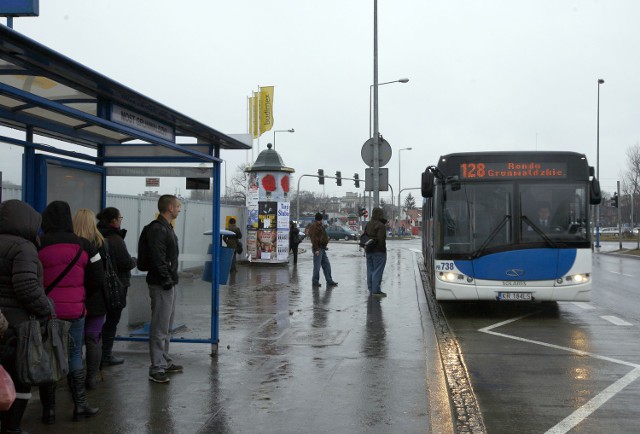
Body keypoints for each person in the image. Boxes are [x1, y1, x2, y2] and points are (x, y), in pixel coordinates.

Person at [38, 200, 103, 422]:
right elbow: (98, 278)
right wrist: (81, 296)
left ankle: (49, 411)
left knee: (48, 356)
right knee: (75, 355)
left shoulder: (38, 244)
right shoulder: (86, 245)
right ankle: (80, 406)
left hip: (47, 311)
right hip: (76, 310)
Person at [0, 200, 52, 433]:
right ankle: (12, 428)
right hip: (17, 327)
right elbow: (27, 287)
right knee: (20, 378)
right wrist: (47, 308)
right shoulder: (24, 247)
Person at [143, 195, 182, 384]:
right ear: (169, 207)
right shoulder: (159, 229)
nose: (179, 210)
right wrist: (167, 279)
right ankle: (156, 367)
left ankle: (163, 361)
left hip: (167, 282)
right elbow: (158, 257)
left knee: (166, 326)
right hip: (162, 284)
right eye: (178, 206)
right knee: (160, 326)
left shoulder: (165, 227)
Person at [96, 207, 137, 367]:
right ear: (113, 220)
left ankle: (96, 354)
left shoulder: (97, 236)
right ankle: (106, 354)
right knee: (112, 320)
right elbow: (125, 263)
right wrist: (134, 260)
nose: (121, 220)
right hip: (116, 286)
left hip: (99, 286)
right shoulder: (115, 239)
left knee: (97, 321)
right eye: (120, 218)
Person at [72, 208, 108, 390]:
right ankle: (92, 377)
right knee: (93, 338)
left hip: (75, 299)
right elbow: (103, 274)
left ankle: (75, 378)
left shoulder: (71, 244)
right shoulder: (101, 243)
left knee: (75, 340)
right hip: (96, 300)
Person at [307, 212, 338, 288]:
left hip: (322, 248)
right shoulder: (315, 227)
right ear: (319, 219)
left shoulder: (319, 226)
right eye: (321, 219)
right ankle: (315, 281)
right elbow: (314, 239)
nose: (322, 221)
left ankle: (329, 280)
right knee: (317, 266)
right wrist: (316, 249)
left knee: (326, 265)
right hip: (318, 248)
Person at [364, 207, 388, 298]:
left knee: (370, 270)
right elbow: (381, 240)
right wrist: (382, 250)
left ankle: (371, 288)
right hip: (379, 252)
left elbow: (365, 235)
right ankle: (376, 291)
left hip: (369, 251)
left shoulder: (369, 224)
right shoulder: (381, 225)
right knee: (377, 271)